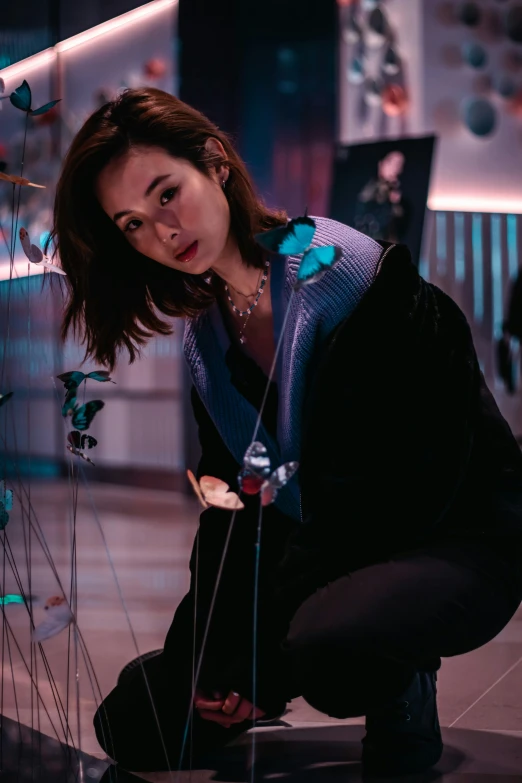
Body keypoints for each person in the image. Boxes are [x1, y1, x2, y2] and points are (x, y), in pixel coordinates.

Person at [49, 87, 522, 779]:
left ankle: (403, 688)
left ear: (213, 162)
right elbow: (232, 508)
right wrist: (210, 657)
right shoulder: (210, 343)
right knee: (141, 720)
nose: (162, 231)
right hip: (326, 548)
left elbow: (403, 490)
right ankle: (273, 660)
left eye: (166, 193)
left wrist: (261, 656)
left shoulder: (355, 276)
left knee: (329, 647)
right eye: (133, 224)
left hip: (453, 535)